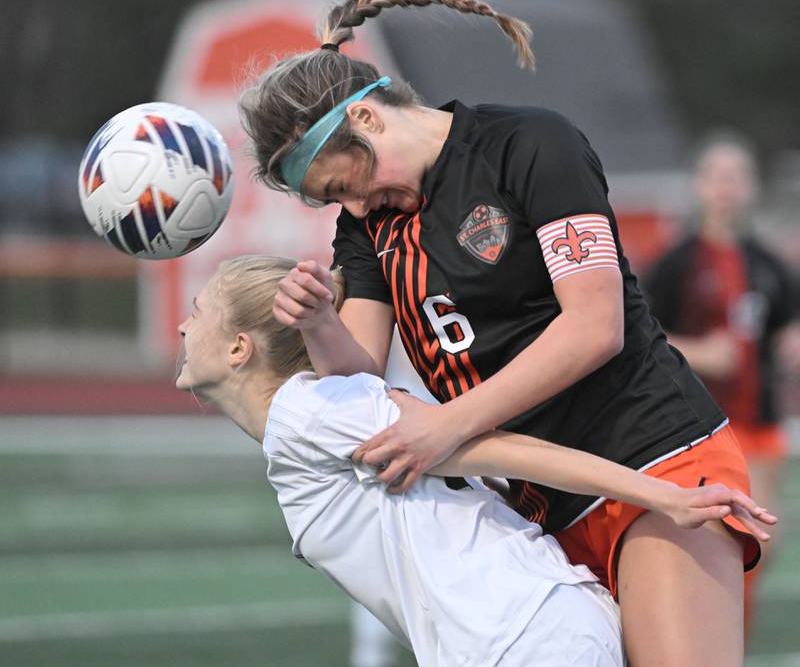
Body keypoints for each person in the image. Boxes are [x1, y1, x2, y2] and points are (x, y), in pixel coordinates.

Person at [238, 0, 773, 666]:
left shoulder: (527, 144)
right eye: (334, 202)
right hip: (540, 511)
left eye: (343, 184)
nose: (354, 206)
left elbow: (595, 325)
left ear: (367, 119)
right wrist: (317, 321)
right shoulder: (366, 230)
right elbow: (359, 376)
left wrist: (450, 424)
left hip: (654, 456)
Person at [174, 254, 774, 666]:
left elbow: (499, 450)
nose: (181, 324)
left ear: (238, 348)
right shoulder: (309, 421)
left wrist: (661, 494)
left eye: (196, 311)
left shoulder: (310, 410)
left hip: (527, 638)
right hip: (513, 638)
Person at [644, 132, 800, 631]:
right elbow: (638, 336)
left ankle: (733, 642)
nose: (727, 188)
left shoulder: (769, 263)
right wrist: (700, 351)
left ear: (751, 187)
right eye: (718, 177)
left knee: (760, 541)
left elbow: (788, 320)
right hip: (696, 425)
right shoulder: (675, 264)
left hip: (760, 422)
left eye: (737, 177)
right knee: (709, 544)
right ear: (700, 185)